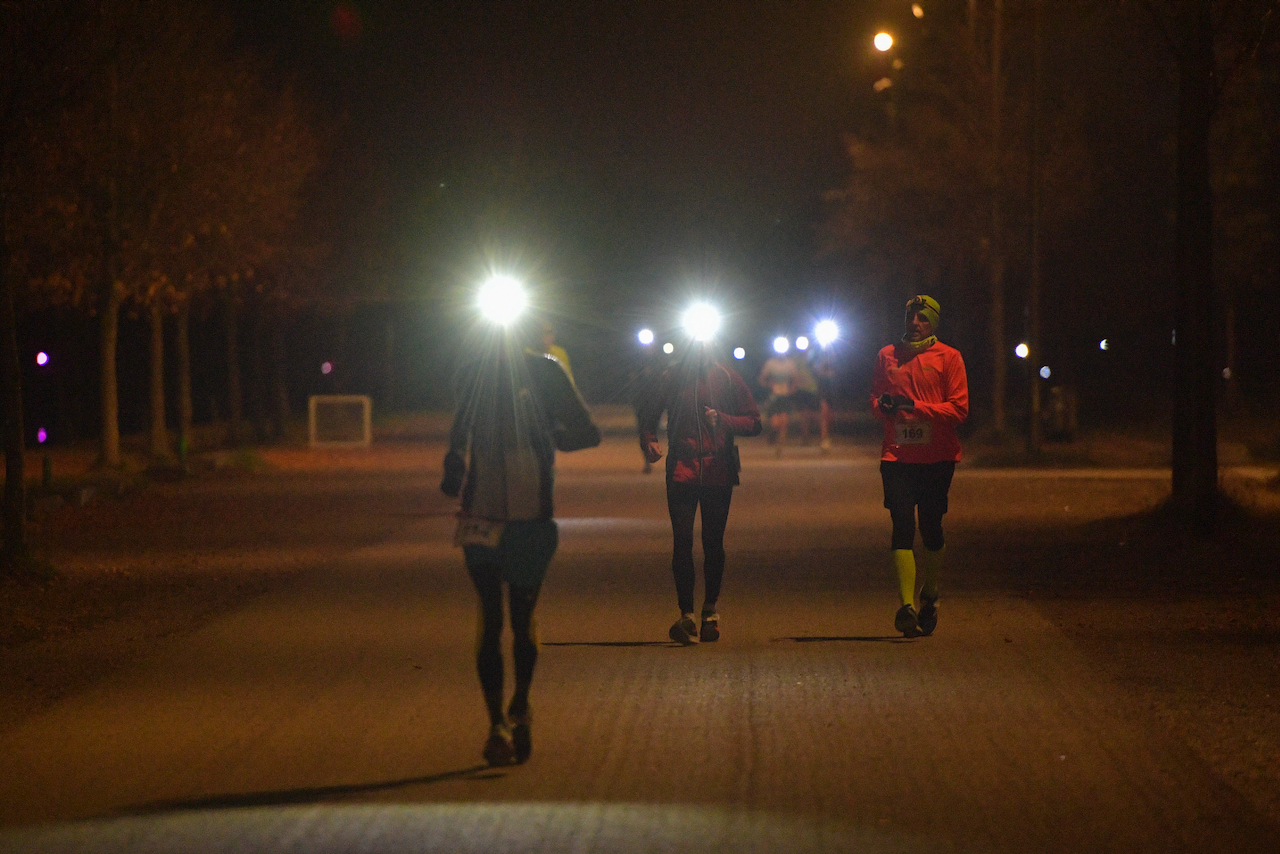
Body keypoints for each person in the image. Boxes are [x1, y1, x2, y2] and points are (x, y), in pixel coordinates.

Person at [441, 331, 600, 766]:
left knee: (522, 615)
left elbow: (588, 432)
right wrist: (453, 464)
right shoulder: (473, 373)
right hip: (481, 515)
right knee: (491, 618)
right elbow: (459, 431)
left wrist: (550, 434)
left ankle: (521, 705)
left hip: (532, 515)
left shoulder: (548, 372)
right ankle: (496, 724)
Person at [638, 343, 762, 645]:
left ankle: (710, 611)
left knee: (713, 542)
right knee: (682, 541)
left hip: (718, 470)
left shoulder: (727, 377)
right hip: (681, 468)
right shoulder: (671, 377)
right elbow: (648, 414)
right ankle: (686, 614)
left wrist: (724, 419)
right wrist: (649, 440)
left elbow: (754, 421)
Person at [870, 295, 968, 638]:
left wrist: (916, 406)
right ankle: (906, 606)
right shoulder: (887, 356)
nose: (915, 323)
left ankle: (931, 592)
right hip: (896, 456)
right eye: (911, 316)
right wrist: (883, 406)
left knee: (931, 526)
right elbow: (874, 400)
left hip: (937, 458)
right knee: (900, 524)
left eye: (923, 318)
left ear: (934, 323)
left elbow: (959, 410)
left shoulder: (950, 357)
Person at [757, 350, 798, 456]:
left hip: (785, 396)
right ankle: (773, 435)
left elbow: (795, 379)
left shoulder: (790, 363)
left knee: (784, 421)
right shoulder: (770, 363)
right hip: (774, 397)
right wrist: (769, 385)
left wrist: (791, 389)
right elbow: (762, 379)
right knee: (775, 423)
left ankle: (780, 445)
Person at [539, 321, 575, 386]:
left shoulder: (560, 353)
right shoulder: (529, 354)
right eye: (545, 333)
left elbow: (569, 380)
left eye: (550, 333)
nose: (549, 336)